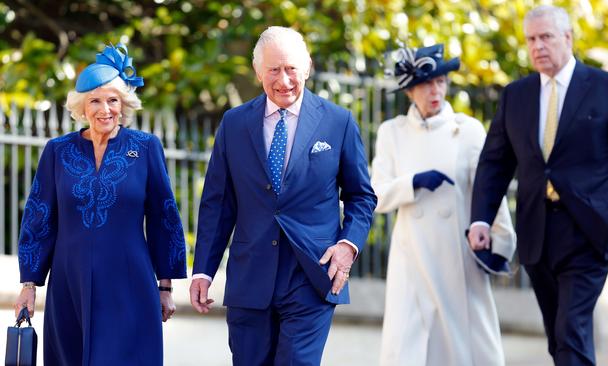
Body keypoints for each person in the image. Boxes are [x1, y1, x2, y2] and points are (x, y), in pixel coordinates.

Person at [469, 5, 608, 366]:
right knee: (559, 335)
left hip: (590, 231)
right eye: (531, 39)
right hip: (538, 231)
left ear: (567, 38)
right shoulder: (515, 96)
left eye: (546, 37)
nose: (537, 46)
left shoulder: (606, 88)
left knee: (571, 328)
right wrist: (480, 219)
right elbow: (494, 163)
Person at [189, 26, 376, 365]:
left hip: (313, 274)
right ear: (259, 71)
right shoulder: (233, 124)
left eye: (291, 69)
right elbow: (218, 203)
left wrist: (348, 246)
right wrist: (203, 269)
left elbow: (361, 196)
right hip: (250, 276)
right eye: (273, 70)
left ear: (306, 67)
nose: (284, 80)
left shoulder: (338, 122)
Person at [13, 44, 187, 365]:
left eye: (113, 100)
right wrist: (29, 284)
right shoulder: (57, 151)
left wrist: (165, 285)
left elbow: (164, 217)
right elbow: (39, 218)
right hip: (69, 284)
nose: (104, 109)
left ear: (124, 104)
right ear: (82, 107)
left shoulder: (146, 147)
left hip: (129, 283)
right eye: (95, 100)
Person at [372, 44, 516, 366]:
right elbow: (375, 195)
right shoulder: (391, 132)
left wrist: (500, 241)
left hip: (457, 253)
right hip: (411, 257)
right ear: (409, 90)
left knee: (464, 344)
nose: (434, 90)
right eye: (424, 83)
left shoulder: (468, 130)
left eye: (440, 81)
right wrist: (412, 183)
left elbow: (490, 189)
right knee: (408, 345)